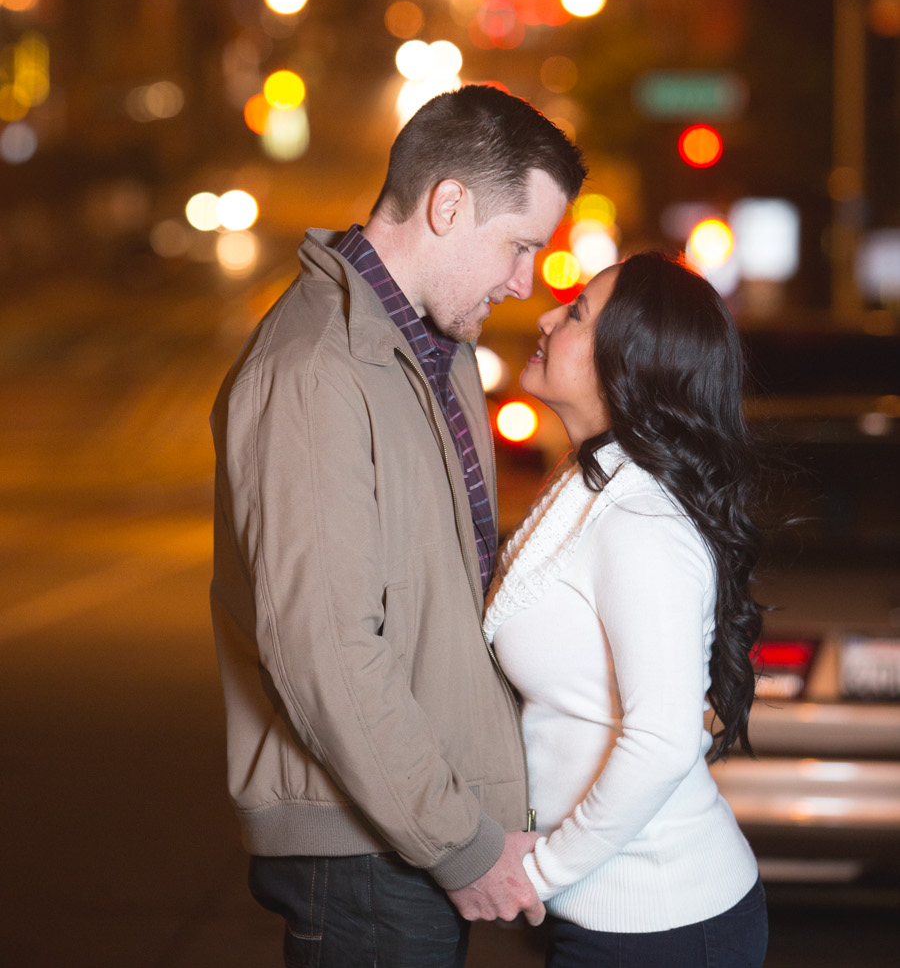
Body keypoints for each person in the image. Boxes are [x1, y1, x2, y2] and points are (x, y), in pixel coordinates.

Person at [210, 84, 587, 967]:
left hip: (406, 830)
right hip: (368, 853)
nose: (525, 280)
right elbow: (328, 651)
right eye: (520, 244)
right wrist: (459, 840)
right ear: (448, 204)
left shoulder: (433, 354)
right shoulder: (316, 370)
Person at [483, 251, 768, 968]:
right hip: (604, 912)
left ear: (628, 365)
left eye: (576, 313)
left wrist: (536, 874)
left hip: (662, 920)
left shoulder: (640, 521)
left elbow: (664, 739)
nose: (547, 317)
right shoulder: (589, 483)